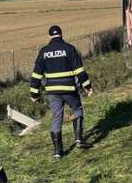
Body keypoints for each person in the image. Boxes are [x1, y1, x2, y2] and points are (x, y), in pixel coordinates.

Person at [30, 25, 93, 158]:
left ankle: (58, 151)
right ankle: (79, 139)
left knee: (57, 117)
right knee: (77, 109)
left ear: (49, 36)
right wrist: (87, 87)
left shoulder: (44, 52)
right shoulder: (69, 49)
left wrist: (34, 94)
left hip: (52, 91)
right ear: (61, 34)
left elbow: (36, 75)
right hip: (69, 89)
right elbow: (79, 71)